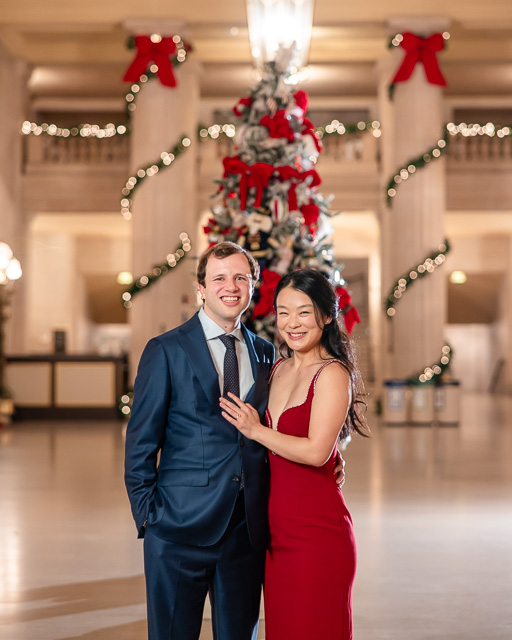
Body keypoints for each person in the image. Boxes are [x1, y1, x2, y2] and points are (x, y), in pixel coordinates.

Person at [124, 242, 274, 640]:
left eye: (241, 277)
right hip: (176, 530)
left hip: (244, 532)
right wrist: (150, 518)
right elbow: (140, 444)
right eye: (219, 278)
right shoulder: (166, 350)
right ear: (202, 288)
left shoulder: (266, 353)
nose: (231, 286)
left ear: (252, 287)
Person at [221, 268, 367, 640]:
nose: (292, 323)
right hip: (274, 535)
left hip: (317, 534)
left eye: (304, 312)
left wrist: (258, 430)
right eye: (283, 312)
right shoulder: (277, 368)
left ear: (328, 314)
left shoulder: (333, 373)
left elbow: (317, 451)